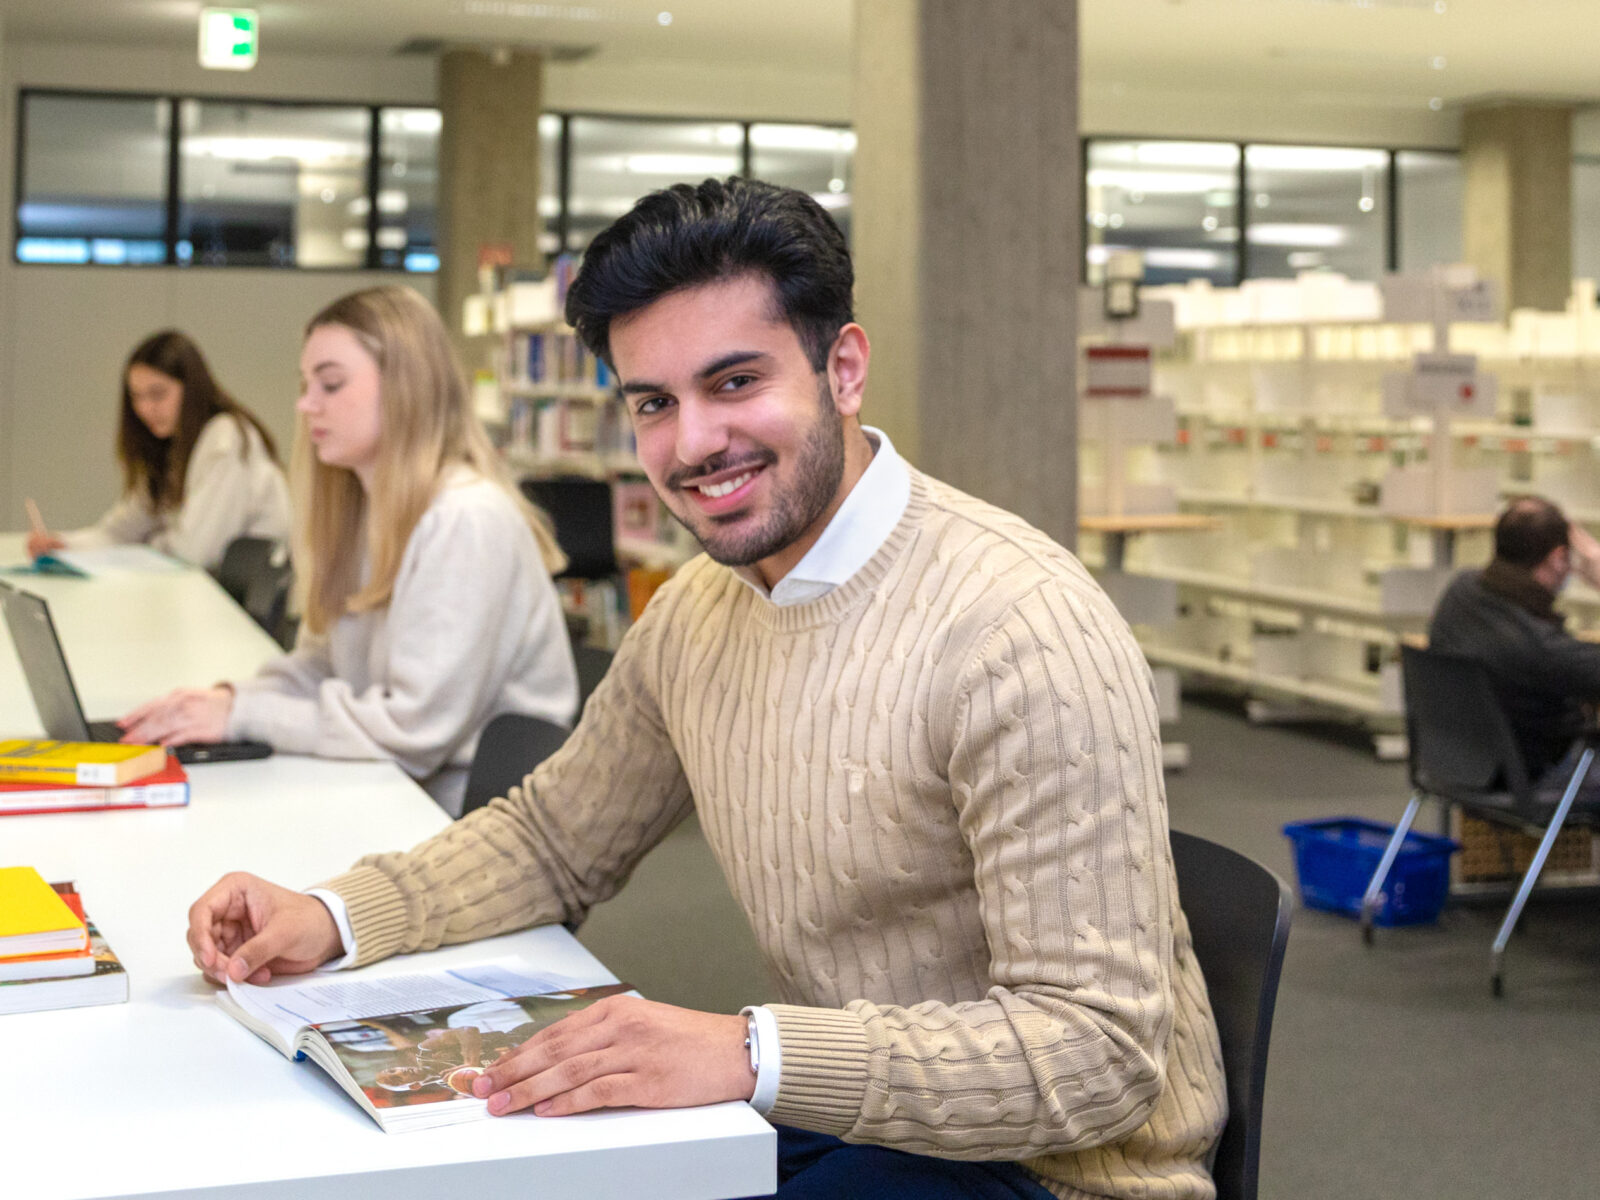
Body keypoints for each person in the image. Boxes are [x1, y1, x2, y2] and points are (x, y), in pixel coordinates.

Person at [185, 181, 1226, 1199]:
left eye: (734, 383)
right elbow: (556, 837)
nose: (691, 446)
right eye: (654, 402)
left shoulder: (1016, 627)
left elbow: (1097, 1055)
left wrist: (748, 1052)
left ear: (844, 367)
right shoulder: (697, 611)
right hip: (864, 1127)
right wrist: (334, 913)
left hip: (1063, 1174)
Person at [122, 286, 579, 814]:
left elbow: (414, 729)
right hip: (394, 791)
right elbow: (326, 663)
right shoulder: (365, 512)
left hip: (458, 822)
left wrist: (244, 718)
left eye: (331, 383)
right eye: (305, 383)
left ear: (408, 388)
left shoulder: (465, 519)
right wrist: (227, 701)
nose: (305, 404)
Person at [25, 330, 291, 573]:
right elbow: (122, 530)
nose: (144, 408)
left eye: (157, 394)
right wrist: (64, 545)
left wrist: (150, 542)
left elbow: (194, 551)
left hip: (248, 606)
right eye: (136, 396)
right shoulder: (168, 444)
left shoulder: (226, 437)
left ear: (192, 390)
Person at [1428, 494, 1600, 784]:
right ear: (1559, 558)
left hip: (1460, 765)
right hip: (1533, 775)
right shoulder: (1543, 648)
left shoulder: (1460, 592)